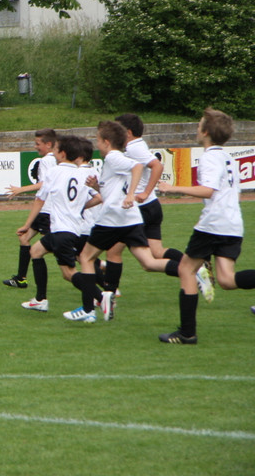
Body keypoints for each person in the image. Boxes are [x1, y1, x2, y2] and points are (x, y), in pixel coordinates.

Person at [156, 109, 255, 344]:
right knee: (226, 280)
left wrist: (172, 188)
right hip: (232, 224)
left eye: (199, 125)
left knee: (186, 270)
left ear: (206, 132)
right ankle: (187, 333)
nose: (197, 129)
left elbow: (208, 191)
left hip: (214, 224)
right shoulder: (228, 158)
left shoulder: (210, 157)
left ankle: (187, 333)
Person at [101, 114, 211, 299]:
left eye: (119, 130)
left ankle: (109, 295)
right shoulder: (137, 146)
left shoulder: (134, 148)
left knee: (114, 252)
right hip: (151, 206)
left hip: (141, 207)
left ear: (128, 132)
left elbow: (157, 166)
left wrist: (145, 192)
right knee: (156, 252)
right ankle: (195, 269)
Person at [67, 120, 164, 323]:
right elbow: (114, 189)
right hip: (131, 219)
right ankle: (188, 269)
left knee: (85, 258)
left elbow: (138, 167)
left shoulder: (113, 157)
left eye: (98, 140)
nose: (97, 144)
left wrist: (131, 194)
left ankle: (89, 309)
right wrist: (98, 187)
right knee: (148, 262)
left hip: (111, 219)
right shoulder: (116, 159)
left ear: (106, 142)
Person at [17, 135, 100, 313]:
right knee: (36, 251)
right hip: (75, 229)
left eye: (55, 149)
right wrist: (79, 207)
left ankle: (101, 297)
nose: (53, 152)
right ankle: (40, 299)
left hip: (62, 230)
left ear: (62, 154)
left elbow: (40, 200)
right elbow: (99, 197)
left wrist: (27, 224)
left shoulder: (54, 172)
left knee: (69, 273)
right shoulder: (82, 173)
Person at [3, 128, 58, 289]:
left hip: (48, 210)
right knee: (24, 238)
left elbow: (44, 184)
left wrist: (21, 189)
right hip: (44, 210)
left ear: (49, 144)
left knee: (58, 249)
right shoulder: (56, 159)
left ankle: (96, 265)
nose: (35, 146)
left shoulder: (46, 161)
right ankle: (21, 279)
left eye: (38, 143)